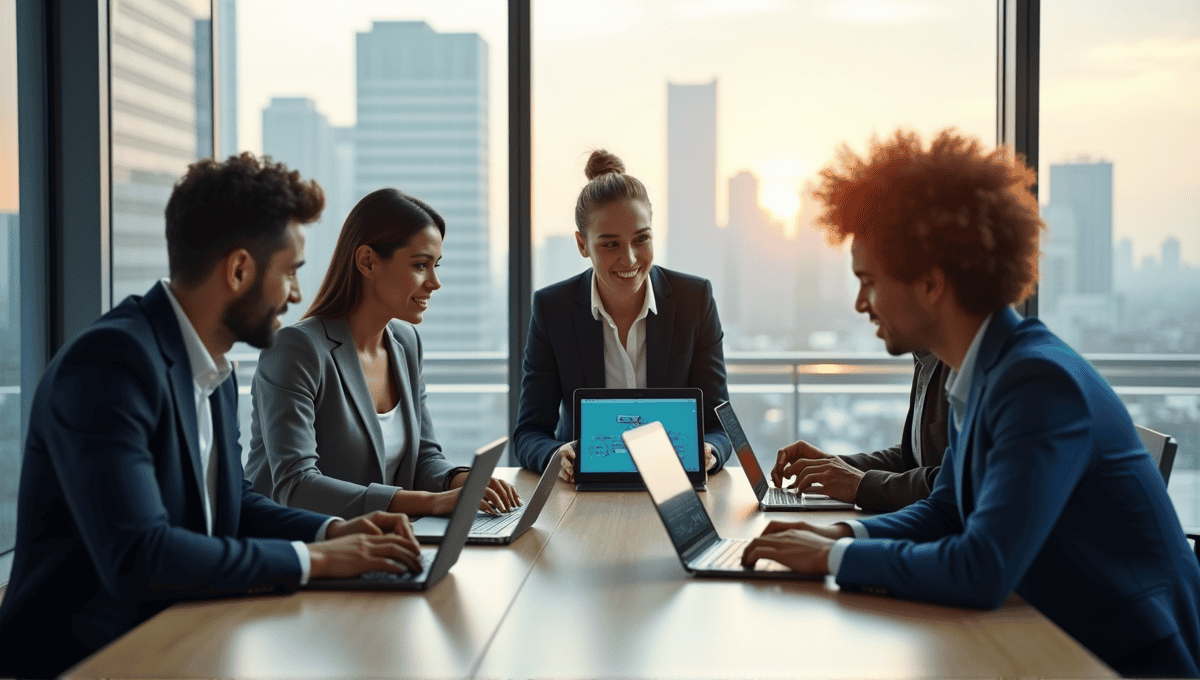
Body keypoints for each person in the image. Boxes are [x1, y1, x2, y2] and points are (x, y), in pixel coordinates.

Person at [740, 129, 1200, 677]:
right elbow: (947, 510)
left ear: (932, 284)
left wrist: (833, 558)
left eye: (869, 281)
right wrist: (839, 534)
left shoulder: (1035, 383)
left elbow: (983, 567)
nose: (861, 303)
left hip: (1119, 660)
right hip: (1049, 634)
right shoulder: (984, 371)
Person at [0, 154, 427, 679]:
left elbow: (235, 503)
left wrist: (334, 531)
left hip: (186, 636)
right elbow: (143, 555)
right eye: (290, 273)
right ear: (239, 269)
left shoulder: (213, 365)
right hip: (90, 660)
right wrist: (316, 561)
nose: (296, 296)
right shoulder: (110, 365)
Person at [245, 188, 520, 518]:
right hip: (297, 549)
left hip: (375, 544)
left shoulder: (406, 342)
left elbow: (423, 458)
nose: (435, 282)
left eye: (436, 266)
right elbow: (296, 485)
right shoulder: (297, 349)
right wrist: (432, 503)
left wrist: (463, 481)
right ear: (367, 261)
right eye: (421, 265)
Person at [513, 150, 732, 480]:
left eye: (641, 239)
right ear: (582, 244)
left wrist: (710, 451)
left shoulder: (693, 300)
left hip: (676, 486)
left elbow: (720, 424)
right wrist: (556, 455)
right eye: (610, 244)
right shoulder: (553, 309)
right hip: (583, 492)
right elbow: (529, 433)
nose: (629, 259)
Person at [772, 351, 949, 512]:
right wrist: (832, 464)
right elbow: (912, 458)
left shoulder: (958, 372)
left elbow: (955, 486)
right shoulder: (926, 363)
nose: (865, 313)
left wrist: (861, 485)